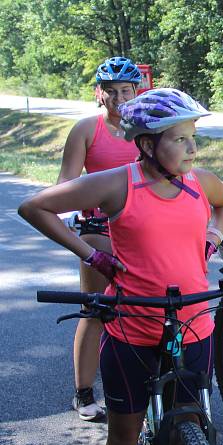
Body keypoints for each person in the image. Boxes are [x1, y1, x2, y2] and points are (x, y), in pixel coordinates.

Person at [19, 88, 223, 445]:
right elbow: (35, 206)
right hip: (133, 332)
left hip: (193, 327)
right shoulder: (121, 183)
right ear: (147, 144)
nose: (192, 147)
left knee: (194, 423)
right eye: (178, 138)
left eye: (193, 136)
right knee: (124, 434)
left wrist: (213, 237)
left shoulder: (199, 181)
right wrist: (91, 255)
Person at [58, 56, 142, 422]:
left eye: (126, 91)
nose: (119, 99)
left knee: (151, 305)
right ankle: (84, 392)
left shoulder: (147, 127)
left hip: (141, 225)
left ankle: (150, 382)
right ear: (100, 94)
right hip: (99, 227)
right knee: (96, 309)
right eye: (111, 92)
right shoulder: (86, 130)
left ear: (138, 92)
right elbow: (66, 184)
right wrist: (74, 206)